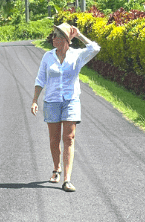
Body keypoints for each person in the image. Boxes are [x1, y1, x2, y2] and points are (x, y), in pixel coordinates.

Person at [30, 22, 100, 192]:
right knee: (54, 139)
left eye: (57, 36)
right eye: (53, 36)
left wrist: (79, 35)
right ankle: (56, 168)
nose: (53, 39)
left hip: (71, 101)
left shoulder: (77, 55)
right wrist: (34, 100)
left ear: (66, 40)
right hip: (52, 101)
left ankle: (67, 179)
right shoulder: (48, 56)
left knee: (68, 138)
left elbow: (95, 48)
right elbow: (40, 79)